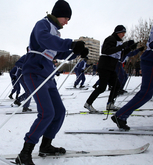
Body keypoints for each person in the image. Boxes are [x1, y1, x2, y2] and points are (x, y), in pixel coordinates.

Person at [14, 1, 88, 164]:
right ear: (58, 14)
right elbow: (44, 40)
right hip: (34, 72)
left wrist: (76, 51)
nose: (67, 22)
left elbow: (59, 53)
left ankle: (46, 145)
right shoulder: (43, 24)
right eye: (66, 18)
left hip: (48, 75)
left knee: (59, 111)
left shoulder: (57, 33)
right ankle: (24, 153)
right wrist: (71, 43)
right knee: (47, 113)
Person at [84, 25, 136, 113]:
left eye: (124, 33)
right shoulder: (110, 39)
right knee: (102, 87)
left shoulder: (118, 42)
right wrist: (122, 46)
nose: (123, 35)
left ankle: (110, 104)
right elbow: (106, 51)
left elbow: (120, 54)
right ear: (118, 32)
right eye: (122, 33)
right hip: (105, 66)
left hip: (111, 67)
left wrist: (130, 48)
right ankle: (88, 103)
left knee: (117, 85)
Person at [111, 25, 153, 130]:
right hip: (149, 60)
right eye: (122, 33)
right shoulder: (113, 40)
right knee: (145, 93)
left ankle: (118, 92)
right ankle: (119, 113)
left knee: (123, 78)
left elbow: (129, 53)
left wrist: (138, 49)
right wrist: (129, 47)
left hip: (141, 59)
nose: (123, 34)